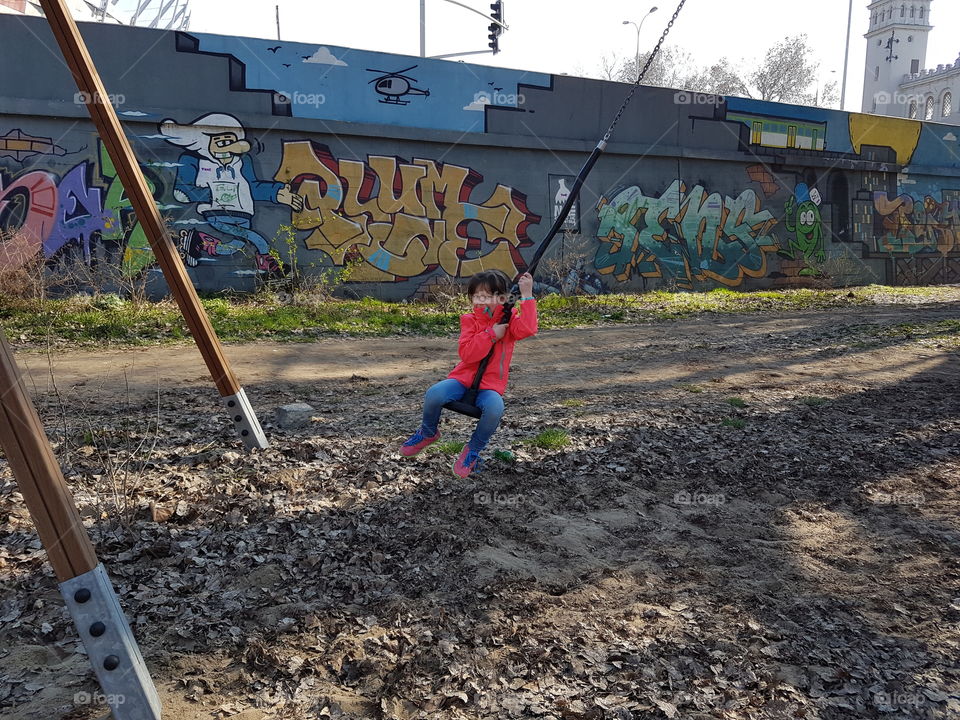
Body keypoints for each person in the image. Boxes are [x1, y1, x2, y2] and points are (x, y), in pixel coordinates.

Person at [400, 269, 538, 478]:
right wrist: (491, 334)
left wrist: (527, 296)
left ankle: (472, 450)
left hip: (489, 387)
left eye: (488, 296)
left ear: (503, 298)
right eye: (477, 296)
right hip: (462, 380)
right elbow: (468, 354)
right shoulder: (469, 320)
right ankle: (428, 433)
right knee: (434, 393)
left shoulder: (511, 321)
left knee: (495, 408)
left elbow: (528, 329)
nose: (481, 300)